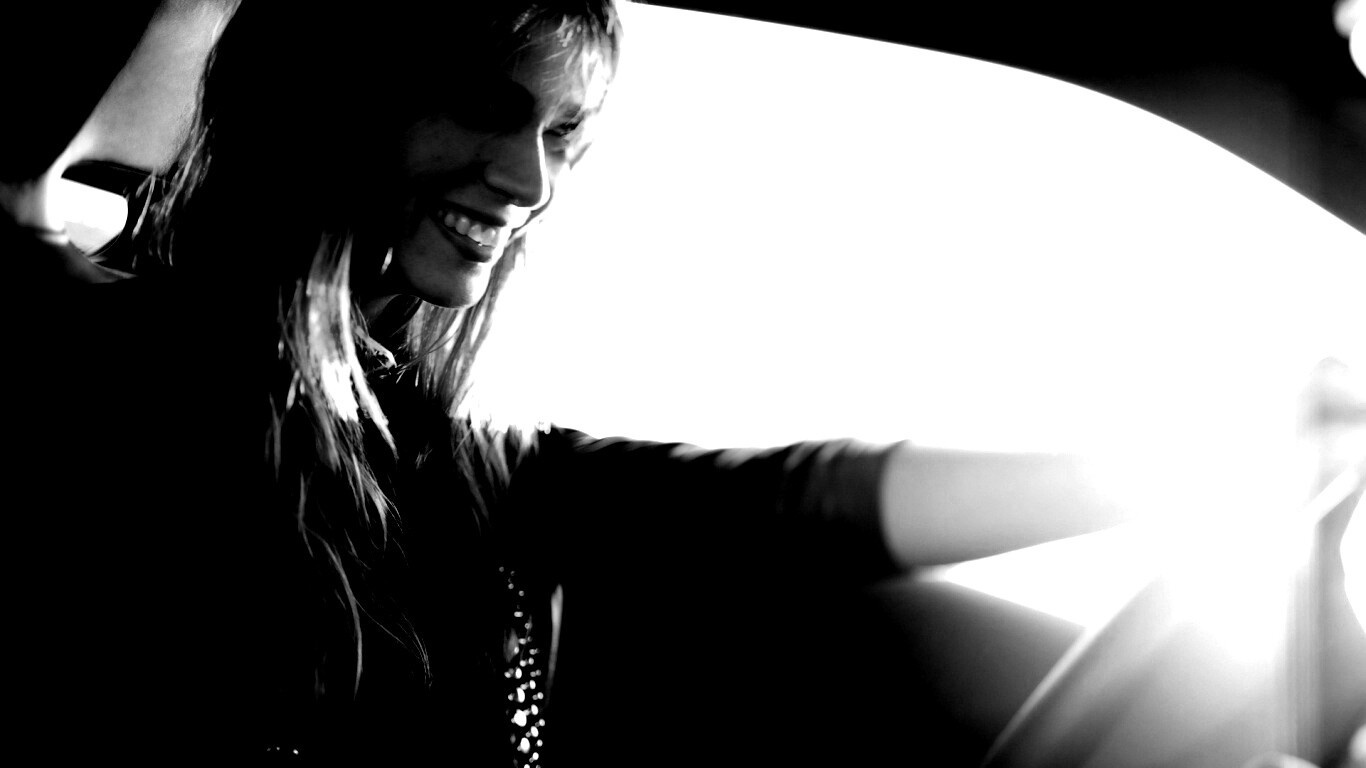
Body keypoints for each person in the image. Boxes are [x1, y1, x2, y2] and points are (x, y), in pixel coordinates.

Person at [8, 0, 1150, 763]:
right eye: (489, 109)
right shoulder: (100, 381)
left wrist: (1149, 481)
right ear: (344, 96)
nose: (531, 182)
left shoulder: (437, 456)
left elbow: (769, 503)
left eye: (563, 134)